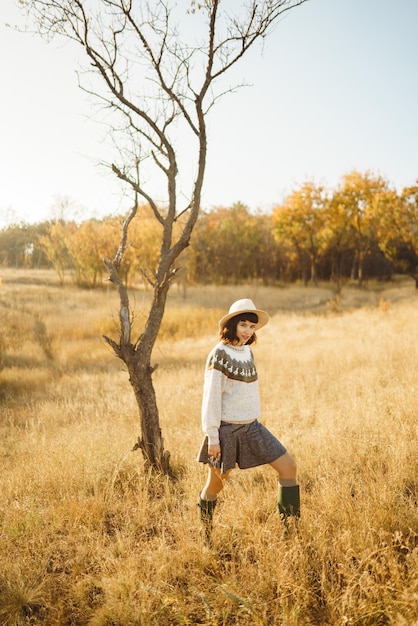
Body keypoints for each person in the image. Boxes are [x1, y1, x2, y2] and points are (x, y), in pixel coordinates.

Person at [197, 298, 300, 541]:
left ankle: (290, 534)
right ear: (232, 324)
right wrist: (213, 437)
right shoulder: (219, 355)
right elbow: (210, 399)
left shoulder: (247, 351)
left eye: (252, 327)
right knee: (216, 486)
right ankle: (206, 536)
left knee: (289, 467)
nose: (247, 331)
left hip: (253, 427)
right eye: (243, 324)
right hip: (226, 432)